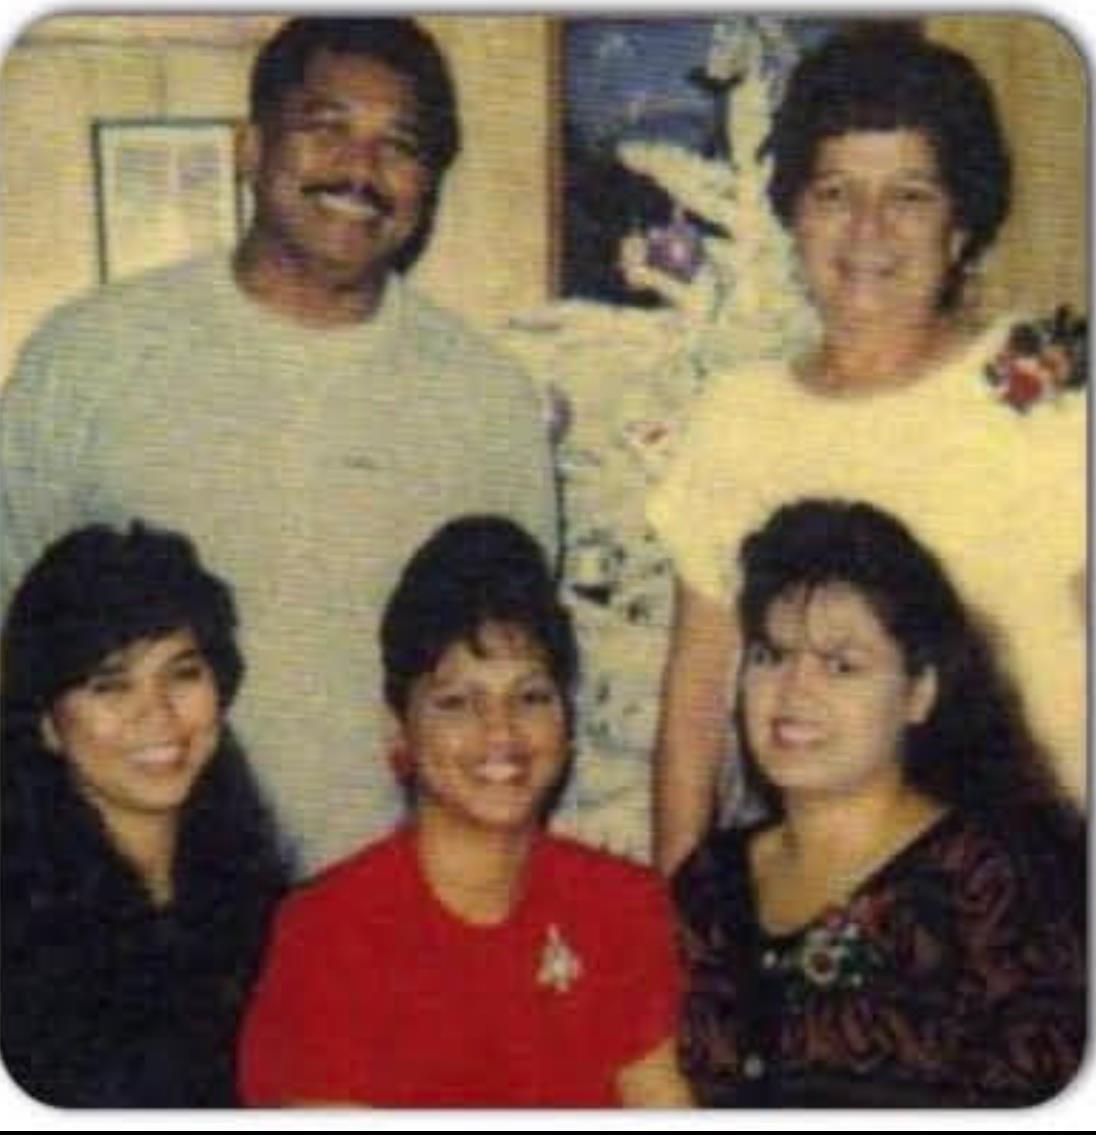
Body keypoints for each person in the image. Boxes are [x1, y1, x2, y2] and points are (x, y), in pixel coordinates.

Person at [0, 17, 558, 877]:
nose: (361, 170)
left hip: (392, 905)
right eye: (326, 127)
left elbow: (516, 680)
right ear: (251, 147)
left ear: (428, 185)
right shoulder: (88, 358)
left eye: (398, 145)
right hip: (131, 913)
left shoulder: (488, 402)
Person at [647, 24, 1086, 873]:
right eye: (836, 193)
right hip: (824, 887)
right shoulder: (741, 417)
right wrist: (688, 923)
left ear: (962, 225)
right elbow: (695, 708)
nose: (868, 231)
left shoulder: (1039, 384)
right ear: (794, 215)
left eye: (910, 195)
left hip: (1041, 878)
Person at [238, 516, 691, 1107]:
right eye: (457, 703)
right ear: (397, 728)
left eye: (530, 696)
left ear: (567, 717)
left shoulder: (623, 907)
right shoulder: (331, 934)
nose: (499, 731)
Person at [673, 498, 1086, 1107]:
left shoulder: (997, 880)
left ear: (920, 693)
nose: (793, 691)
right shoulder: (710, 881)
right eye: (771, 656)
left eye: (841, 666)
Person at [1, 522, 288, 1107]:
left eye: (182, 674)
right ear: (50, 725)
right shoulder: (19, 936)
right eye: (111, 686)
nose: (157, 715)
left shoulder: (262, 898)